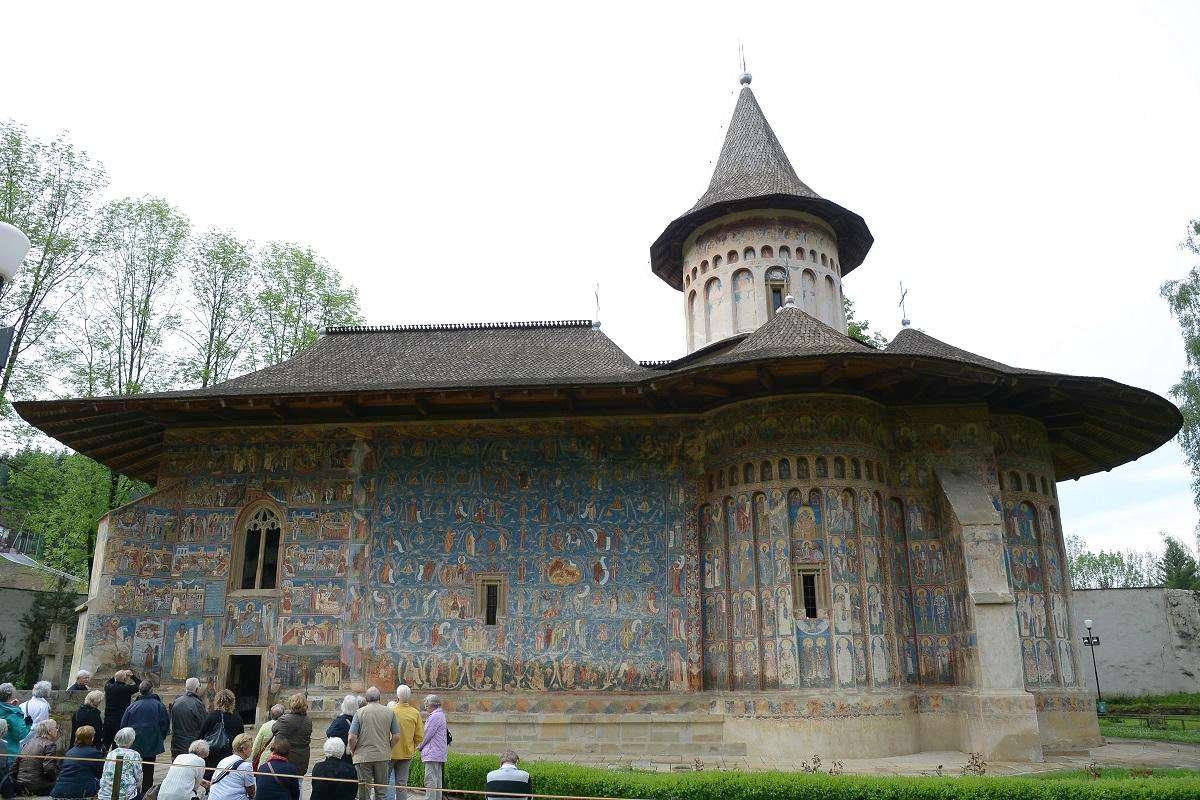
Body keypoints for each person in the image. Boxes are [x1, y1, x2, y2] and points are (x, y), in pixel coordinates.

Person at [347, 687, 398, 800]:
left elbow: (351, 737)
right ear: (379, 698)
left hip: (363, 756)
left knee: (364, 793)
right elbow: (397, 736)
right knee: (381, 792)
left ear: (366, 698)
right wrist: (388, 747)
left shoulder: (359, 713)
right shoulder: (390, 712)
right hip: (382, 755)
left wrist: (353, 750)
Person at [119, 680, 169, 795]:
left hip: (133, 743)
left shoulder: (132, 706)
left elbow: (123, 725)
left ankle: (132, 792)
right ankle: (146, 793)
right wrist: (160, 737)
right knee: (148, 769)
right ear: (151, 690)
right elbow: (164, 724)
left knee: (132, 768)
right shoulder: (158, 705)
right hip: (151, 742)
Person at [50, 725, 104, 799]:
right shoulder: (94, 753)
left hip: (58, 792)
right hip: (81, 792)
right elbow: (100, 773)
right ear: (91, 738)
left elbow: (60, 769)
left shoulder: (69, 752)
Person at [388, 686, 423, 800]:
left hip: (390, 751)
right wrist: (411, 746)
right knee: (402, 784)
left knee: (385, 782)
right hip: (406, 753)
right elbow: (419, 736)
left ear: (397, 696)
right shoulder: (415, 713)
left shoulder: (390, 711)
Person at [15, 718, 60, 796]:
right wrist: (56, 779)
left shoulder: (28, 743)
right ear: (49, 731)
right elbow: (49, 769)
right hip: (37, 786)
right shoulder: (50, 745)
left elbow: (15, 765)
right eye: (56, 728)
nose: (57, 730)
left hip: (20, 785)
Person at [200, 688, 243, 769]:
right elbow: (240, 738)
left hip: (211, 755)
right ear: (232, 702)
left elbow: (201, 736)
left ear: (217, 701)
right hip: (229, 757)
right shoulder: (237, 718)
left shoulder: (211, 716)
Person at [97, 727, 142, 800]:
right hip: (125, 795)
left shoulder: (111, 754)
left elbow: (105, 771)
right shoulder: (134, 754)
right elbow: (138, 776)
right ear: (131, 740)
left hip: (105, 794)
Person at [208, 732, 256, 800]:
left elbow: (212, 782)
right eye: (251, 747)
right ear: (244, 749)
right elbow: (251, 792)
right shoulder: (246, 766)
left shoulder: (223, 761)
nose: (252, 750)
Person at [416, 695, 447, 800]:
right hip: (438, 752)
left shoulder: (434, 716)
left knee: (430, 780)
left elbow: (427, 734)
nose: (425, 707)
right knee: (437, 780)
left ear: (431, 704)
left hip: (432, 753)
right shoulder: (440, 714)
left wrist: (420, 746)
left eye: (426, 704)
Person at [272, 694, 312, 775]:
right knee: (298, 784)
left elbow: (274, 729)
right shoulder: (308, 720)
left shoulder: (284, 719)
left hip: (287, 759)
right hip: (303, 758)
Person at [170, 677, 207, 759]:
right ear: (197, 689)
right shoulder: (198, 704)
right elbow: (203, 725)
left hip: (176, 743)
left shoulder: (177, 701)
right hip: (191, 745)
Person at [103, 670, 141, 750]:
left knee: (105, 743)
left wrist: (117, 676)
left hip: (108, 719)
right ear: (124, 679)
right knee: (117, 744)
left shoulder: (108, 687)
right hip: (120, 720)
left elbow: (109, 681)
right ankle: (116, 760)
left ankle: (102, 760)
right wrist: (132, 676)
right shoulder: (126, 689)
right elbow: (140, 685)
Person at [251, 705, 284, 769]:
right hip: (280, 760)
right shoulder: (285, 726)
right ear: (283, 715)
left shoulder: (265, 726)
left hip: (265, 759)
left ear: (271, 715)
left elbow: (257, 744)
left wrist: (254, 757)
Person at [325, 697, 357, 763]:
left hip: (340, 754)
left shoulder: (340, 720)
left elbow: (329, 732)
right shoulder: (356, 719)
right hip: (352, 753)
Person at [0, 684, 29, 756]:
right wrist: (28, 724)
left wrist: (9, 706)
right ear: (11, 696)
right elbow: (20, 735)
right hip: (9, 751)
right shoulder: (14, 714)